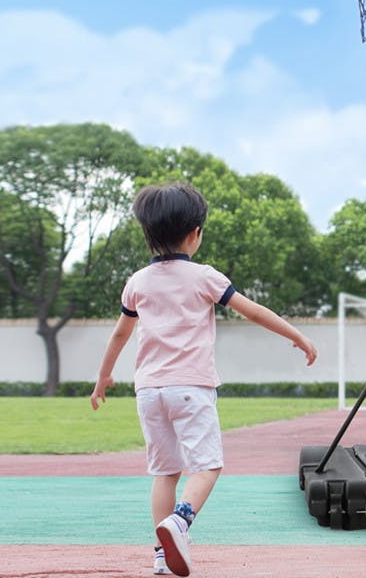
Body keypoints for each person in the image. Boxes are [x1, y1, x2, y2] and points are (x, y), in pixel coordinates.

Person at [90, 182, 318, 577]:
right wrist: (296, 335)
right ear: (195, 234)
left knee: (165, 472)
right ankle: (180, 521)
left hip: (148, 391)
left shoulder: (137, 282)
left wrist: (103, 376)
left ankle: (161, 556)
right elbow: (254, 311)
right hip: (190, 388)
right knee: (208, 466)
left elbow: (120, 334)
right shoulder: (204, 277)